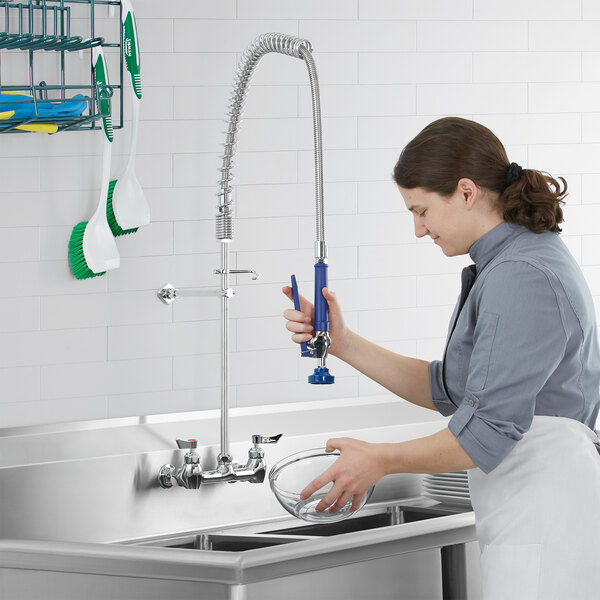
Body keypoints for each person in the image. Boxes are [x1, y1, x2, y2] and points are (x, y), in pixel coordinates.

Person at [282, 117, 600, 600]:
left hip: (548, 517)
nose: (418, 229)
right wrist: (343, 343)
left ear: (467, 192)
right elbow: (450, 390)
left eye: (422, 210)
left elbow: (488, 430)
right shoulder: (510, 262)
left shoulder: (523, 276)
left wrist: (382, 460)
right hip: (530, 511)